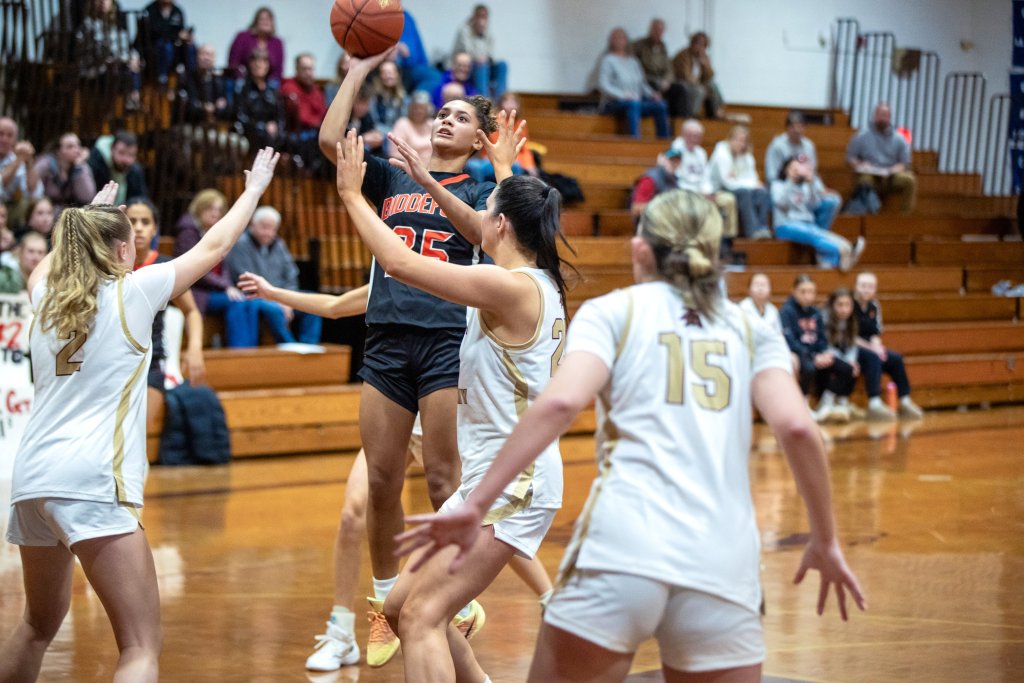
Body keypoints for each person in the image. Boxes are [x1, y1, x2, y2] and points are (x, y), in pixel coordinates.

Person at [397, 189, 865, 683]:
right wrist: (825, 538)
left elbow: (558, 404)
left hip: (623, 547)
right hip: (722, 560)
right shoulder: (751, 327)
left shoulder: (614, 312)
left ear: (641, 250)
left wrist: (476, 504)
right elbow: (798, 428)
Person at [0, 148, 279, 683]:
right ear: (124, 249)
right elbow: (216, 245)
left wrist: (83, 221)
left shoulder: (46, 299)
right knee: (140, 647)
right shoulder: (132, 291)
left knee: (36, 627)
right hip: (91, 480)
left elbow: (48, 266)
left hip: (31, 479)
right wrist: (253, 190)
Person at [335, 127, 568, 682]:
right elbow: (487, 223)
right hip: (491, 476)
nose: (474, 215)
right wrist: (448, 178)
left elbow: (401, 264)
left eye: (485, 210)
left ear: (501, 225)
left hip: (515, 483)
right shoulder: (529, 278)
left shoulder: (507, 287)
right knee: (400, 610)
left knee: (422, 617)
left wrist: (351, 195)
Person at [233, 278, 555, 671]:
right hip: (398, 414)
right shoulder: (395, 286)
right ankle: (343, 631)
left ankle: (534, 598)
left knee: (472, 514)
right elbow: (337, 306)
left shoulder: (461, 282)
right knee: (355, 511)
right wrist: (274, 293)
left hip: (444, 413)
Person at [318, 49, 509, 667]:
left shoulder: (481, 190)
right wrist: (356, 70)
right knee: (381, 481)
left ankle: (455, 594)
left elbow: (488, 235)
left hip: (447, 341)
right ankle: (383, 602)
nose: (446, 119)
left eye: (460, 117)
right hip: (386, 340)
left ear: (479, 139)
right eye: (442, 113)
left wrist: (444, 177)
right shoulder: (392, 178)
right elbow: (330, 142)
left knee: (444, 481)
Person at [126, 197, 206, 427]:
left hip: (151, 361)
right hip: (115, 360)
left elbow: (191, 311)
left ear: (155, 229)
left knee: (138, 429)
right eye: (132, 221)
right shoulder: (108, 266)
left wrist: (194, 348)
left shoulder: (165, 266)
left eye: (145, 222)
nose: (138, 228)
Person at [173, 188, 258, 348]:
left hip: (214, 290)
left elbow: (223, 265)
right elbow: (195, 268)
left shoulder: (214, 231)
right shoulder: (188, 232)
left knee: (248, 302)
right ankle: (240, 351)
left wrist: (228, 286)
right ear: (200, 208)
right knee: (236, 302)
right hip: (197, 291)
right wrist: (225, 286)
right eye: (210, 208)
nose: (215, 213)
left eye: (219, 209)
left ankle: (250, 351)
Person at [225, 206, 321, 345]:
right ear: (252, 225)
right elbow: (245, 279)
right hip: (255, 296)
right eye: (264, 227)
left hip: (280, 296)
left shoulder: (279, 244)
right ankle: (290, 346)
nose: (268, 233)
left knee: (313, 303)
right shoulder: (240, 244)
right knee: (274, 310)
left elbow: (291, 275)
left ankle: (309, 347)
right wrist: (278, 299)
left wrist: (288, 299)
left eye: (272, 229)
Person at [780, 274, 854, 419]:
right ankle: (803, 405)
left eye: (811, 292)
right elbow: (790, 341)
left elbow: (822, 338)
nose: (807, 296)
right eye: (803, 291)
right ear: (793, 291)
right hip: (799, 354)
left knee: (847, 368)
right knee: (808, 368)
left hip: (816, 354)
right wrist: (813, 356)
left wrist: (823, 353)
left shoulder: (815, 312)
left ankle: (827, 401)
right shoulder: (787, 311)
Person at [852, 272, 924, 420]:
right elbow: (849, 337)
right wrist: (873, 349)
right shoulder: (849, 305)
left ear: (875, 289)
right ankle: (874, 403)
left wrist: (878, 347)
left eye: (870, 286)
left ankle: (905, 400)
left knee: (895, 359)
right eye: (863, 286)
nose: (866, 290)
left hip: (870, 346)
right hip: (852, 348)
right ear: (856, 287)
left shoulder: (874, 306)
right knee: (873, 357)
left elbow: (876, 332)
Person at [772, 157, 864, 271]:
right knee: (815, 234)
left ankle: (833, 259)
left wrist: (811, 184)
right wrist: (790, 182)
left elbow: (815, 204)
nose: (796, 171)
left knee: (816, 232)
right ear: (786, 169)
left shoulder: (805, 186)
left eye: (798, 169)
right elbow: (781, 203)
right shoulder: (778, 185)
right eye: (793, 168)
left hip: (806, 224)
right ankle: (843, 247)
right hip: (785, 225)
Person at [670, 118, 739, 248]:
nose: (695, 139)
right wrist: (699, 193)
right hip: (686, 193)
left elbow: (705, 177)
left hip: (703, 192)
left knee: (729, 200)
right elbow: (676, 178)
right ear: (684, 134)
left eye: (698, 136)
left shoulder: (700, 152)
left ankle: (727, 240)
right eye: (692, 135)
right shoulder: (675, 151)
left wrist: (709, 191)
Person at [595, 28, 670, 139]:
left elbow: (642, 84)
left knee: (660, 105)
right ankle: (635, 141)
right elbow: (603, 84)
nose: (620, 41)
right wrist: (623, 95)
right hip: (614, 103)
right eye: (617, 38)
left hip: (636, 101)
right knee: (634, 104)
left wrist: (652, 94)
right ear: (611, 41)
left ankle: (663, 141)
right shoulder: (608, 60)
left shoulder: (633, 61)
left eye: (622, 38)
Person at [845, 102, 916, 215]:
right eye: (880, 115)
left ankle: (904, 217)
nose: (882, 118)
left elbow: (905, 163)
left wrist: (893, 170)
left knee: (910, 180)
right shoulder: (861, 136)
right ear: (874, 116)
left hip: (891, 176)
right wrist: (860, 165)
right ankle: (867, 217)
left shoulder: (899, 139)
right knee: (864, 180)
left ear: (889, 117)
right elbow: (850, 157)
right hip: (871, 175)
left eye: (885, 115)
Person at [708, 125, 770, 238]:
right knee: (744, 193)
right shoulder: (721, 153)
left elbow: (753, 178)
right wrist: (749, 183)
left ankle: (763, 228)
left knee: (762, 192)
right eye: (738, 140)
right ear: (730, 139)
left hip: (740, 188)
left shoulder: (747, 156)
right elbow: (728, 183)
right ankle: (752, 231)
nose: (741, 144)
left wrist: (742, 181)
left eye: (744, 141)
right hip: (719, 189)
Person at [466, 92, 538, 183]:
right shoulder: (494, 121)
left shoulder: (520, 123)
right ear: (501, 104)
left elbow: (524, 148)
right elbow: (498, 147)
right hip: (489, 158)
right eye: (508, 102)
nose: (511, 105)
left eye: (514, 102)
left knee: (518, 166)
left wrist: (529, 164)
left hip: (512, 159)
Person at [818, 288, 861, 423]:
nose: (844, 309)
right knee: (846, 368)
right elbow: (825, 344)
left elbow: (853, 344)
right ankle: (826, 402)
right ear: (832, 305)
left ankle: (842, 401)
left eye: (847, 305)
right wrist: (846, 361)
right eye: (840, 305)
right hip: (824, 353)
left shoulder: (852, 320)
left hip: (840, 355)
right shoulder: (823, 318)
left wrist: (851, 360)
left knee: (854, 367)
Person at [451, 4, 507, 101]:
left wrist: (486, 58)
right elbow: (468, 53)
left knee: (502, 65)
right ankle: (483, 101)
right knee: (482, 66)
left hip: (485, 66)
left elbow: (493, 55)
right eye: (479, 16)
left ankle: (500, 100)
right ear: (474, 17)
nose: (482, 20)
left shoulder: (488, 33)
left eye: (484, 17)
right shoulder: (464, 31)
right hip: (468, 68)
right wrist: (480, 58)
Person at [632, 18, 686, 117]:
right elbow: (634, 66)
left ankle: (677, 120)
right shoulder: (639, 45)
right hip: (647, 79)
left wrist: (667, 80)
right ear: (650, 30)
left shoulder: (663, 47)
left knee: (679, 88)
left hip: (661, 80)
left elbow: (669, 69)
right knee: (653, 87)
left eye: (661, 31)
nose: (658, 33)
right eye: (656, 30)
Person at [34, 133, 97, 216]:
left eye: (78, 145)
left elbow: (87, 197)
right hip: (44, 213)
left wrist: (79, 167)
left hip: (68, 215)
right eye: (70, 146)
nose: (77, 150)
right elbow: (33, 192)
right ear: (59, 151)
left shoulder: (81, 167)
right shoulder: (45, 164)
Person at [233, 49, 284, 150]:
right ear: (249, 64)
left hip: (271, 131)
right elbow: (240, 116)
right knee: (264, 137)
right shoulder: (241, 86)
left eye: (264, 61)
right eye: (255, 60)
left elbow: (280, 115)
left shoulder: (273, 88)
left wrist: (276, 126)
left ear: (268, 65)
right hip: (250, 131)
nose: (258, 64)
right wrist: (263, 127)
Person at [136, 0, 194, 85]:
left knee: (191, 47)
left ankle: (190, 79)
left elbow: (180, 29)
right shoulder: (149, 10)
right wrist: (176, 35)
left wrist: (186, 36)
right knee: (165, 46)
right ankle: (162, 78)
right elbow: (154, 32)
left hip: (175, 47)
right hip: (154, 49)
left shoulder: (177, 11)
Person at [672, 31, 725, 119]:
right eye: (698, 44)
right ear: (692, 43)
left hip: (697, 83)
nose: (700, 47)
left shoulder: (704, 57)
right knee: (700, 90)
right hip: (682, 84)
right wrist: (699, 84)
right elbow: (685, 76)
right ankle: (692, 115)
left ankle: (716, 111)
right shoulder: (684, 55)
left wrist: (705, 65)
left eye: (703, 45)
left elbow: (710, 76)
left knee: (713, 85)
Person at [178, 43, 234, 126]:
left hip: (215, 123)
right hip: (191, 123)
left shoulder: (219, 79)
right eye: (203, 54)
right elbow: (188, 105)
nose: (206, 58)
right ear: (196, 56)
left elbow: (226, 105)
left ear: (214, 59)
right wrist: (204, 108)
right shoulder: (187, 77)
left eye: (209, 55)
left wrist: (217, 106)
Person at [88, 130, 149, 205]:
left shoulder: (135, 170)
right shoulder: (96, 164)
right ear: (112, 149)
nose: (126, 159)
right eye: (121, 153)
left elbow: (140, 198)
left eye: (131, 155)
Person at [0, 117, 44, 220]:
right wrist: (18, 160)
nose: (4, 139)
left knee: (37, 206)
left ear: (15, 140)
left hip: (8, 211)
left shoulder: (15, 158)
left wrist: (29, 162)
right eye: (0, 134)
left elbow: (34, 193)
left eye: (9, 135)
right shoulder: (17, 159)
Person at [228, 6, 285, 84]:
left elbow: (278, 70)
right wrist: (241, 77)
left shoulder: (277, 43)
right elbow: (233, 62)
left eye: (268, 19)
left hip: (268, 83)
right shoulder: (242, 37)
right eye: (262, 19)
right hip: (243, 80)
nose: (266, 22)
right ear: (255, 21)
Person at [394, 10, 443, 95]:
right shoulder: (378, 16)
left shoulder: (406, 16)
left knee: (435, 77)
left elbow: (417, 48)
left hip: (414, 66)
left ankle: (416, 101)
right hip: (396, 66)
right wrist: (396, 46)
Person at [765, 111, 819, 183]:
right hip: (781, 184)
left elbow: (813, 172)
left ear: (804, 128)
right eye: (793, 127)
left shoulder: (809, 146)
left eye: (800, 127)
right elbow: (771, 176)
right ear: (787, 128)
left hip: (805, 184)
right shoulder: (777, 146)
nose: (797, 130)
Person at [388, 90, 435, 168]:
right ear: (410, 108)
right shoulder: (402, 123)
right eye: (415, 108)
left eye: (422, 108)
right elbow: (395, 155)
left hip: (434, 169)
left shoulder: (432, 124)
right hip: (410, 169)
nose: (419, 111)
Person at [630, 148, 680, 218]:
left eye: (677, 161)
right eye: (670, 160)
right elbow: (636, 208)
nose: (673, 164)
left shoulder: (674, 181)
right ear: (661, 160)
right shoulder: (650, 180)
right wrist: (664, 208)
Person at [369, 61, 408, 138]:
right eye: (384, 73)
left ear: (397, 75)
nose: (388, 76)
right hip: (379, 136)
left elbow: (405, 122)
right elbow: (374, 122)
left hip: (399, 136)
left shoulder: (404, 98)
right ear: (380, 76)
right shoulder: (374, 98)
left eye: (391, 72)